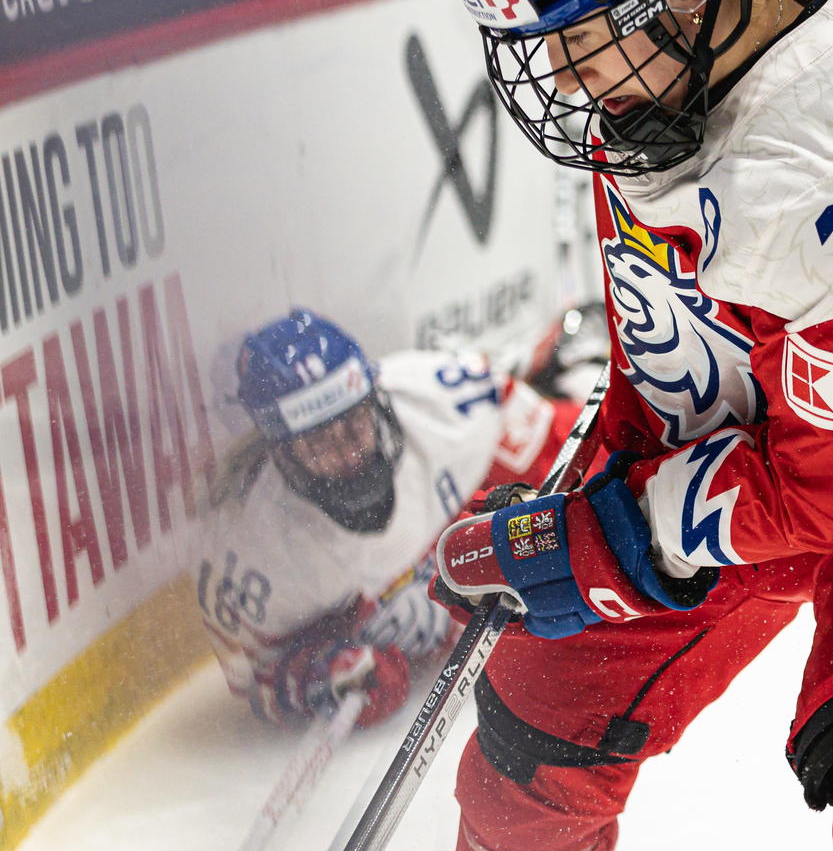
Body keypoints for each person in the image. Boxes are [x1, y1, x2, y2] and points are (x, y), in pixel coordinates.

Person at [432, 0, 833, 851]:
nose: (563, 79)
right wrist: (599, 517)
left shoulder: (820, 186)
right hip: (779, 418)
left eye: (578, 34)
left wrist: (615, 533)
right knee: (536, 734)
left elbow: (826, 501)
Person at [199, 308, 566, 729]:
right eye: (318, 441)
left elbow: (574, 452)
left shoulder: (448, 402)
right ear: (281, 452)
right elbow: (256, 677)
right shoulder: (255, 554)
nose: (348, 453)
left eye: (353, 423)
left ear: (374, 399)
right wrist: (321, 674)